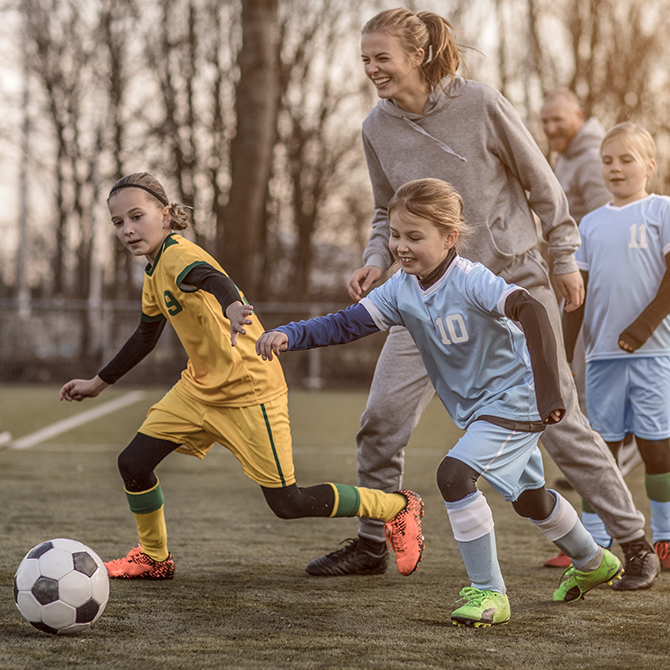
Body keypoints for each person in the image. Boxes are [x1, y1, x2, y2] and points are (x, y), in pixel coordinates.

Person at [305, 7, 659, 590]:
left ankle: (633, 542)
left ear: (416, 56)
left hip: (511, 290)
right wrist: (375, 260)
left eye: (381, 58)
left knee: (562, 421)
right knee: (380, 421)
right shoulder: (376, 128)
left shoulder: (481, 104)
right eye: (365, 59)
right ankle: (373, 541)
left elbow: (542, 185)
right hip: (423, 297)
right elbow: (381, 210)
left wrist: (564, 257)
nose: (371, 69)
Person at [257, 178, 624, 627]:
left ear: (450, 238)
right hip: (482, 412)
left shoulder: (471, 280)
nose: (401, 247)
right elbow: (347, 324)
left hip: (516, 402)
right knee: (529, 499)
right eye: (395, 235)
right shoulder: (400, 289)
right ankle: (593, 562)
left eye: (415, 237)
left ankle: (490, 594)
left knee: (453, 476)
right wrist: (290, 334)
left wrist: (549, 389)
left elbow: (530, 309)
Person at [59, 172, 424, 580]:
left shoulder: (178, 255)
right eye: (118, 222)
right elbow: (145, 337)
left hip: (250, 389)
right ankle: (153, 557)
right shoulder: (154, 270)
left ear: (165, 216)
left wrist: (233, 306)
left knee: (288, 503)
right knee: (134, 463)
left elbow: (212, 279)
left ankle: (396, 508)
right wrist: (98, 382)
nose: (127, 229)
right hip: (198, 391)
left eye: (136, 216)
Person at [563, 123, 670, 572]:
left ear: (650, 165)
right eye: (608, 161)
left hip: (653, 354)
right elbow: (575, 298)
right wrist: (561, 358)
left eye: (627, 159)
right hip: (602, 358)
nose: (616, 168)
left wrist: (643, 327)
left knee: (655, 447)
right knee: (599, 452)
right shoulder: (589, 223)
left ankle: (664, 538)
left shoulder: (662, 210)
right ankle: (596, 544)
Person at [539, 88, 635, 567]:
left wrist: (584, 313)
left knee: (593, 416)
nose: (551, 127)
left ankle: (599, 536)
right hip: (575, 293)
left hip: (593, 300)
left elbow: (604, 232)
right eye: (545, 120)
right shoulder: (568, 158)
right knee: (591, 414)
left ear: (579, 115)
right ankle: (596, 524)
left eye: (558, 119)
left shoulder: (593, 158)